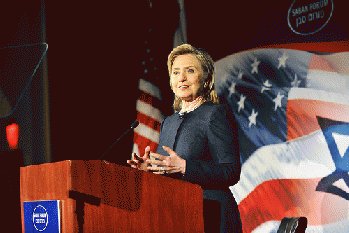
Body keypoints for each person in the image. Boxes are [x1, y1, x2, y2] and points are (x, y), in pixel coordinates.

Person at [127, 44, 242, 233]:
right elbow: (167, 172)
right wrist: (149, 169)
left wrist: (185, 167)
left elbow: (231, 171)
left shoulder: (216, 114)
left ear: (206, 79)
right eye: (175, 72)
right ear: (171, 81)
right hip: (178, 216)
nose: (181, 78)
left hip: (212, 217)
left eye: (190, 70)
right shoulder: (168, 123)